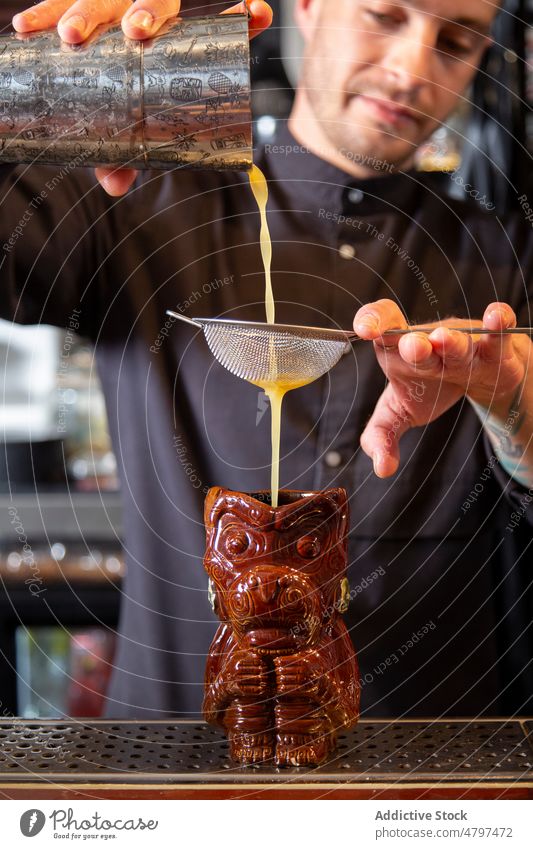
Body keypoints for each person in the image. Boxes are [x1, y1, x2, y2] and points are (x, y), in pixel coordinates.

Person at [2, 0, 532, 719]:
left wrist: (516, 413)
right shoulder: (130, 197)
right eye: (383, 14)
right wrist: (39, 77)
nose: (412, 69)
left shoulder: (507, 265)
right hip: (167, 776)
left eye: (454, 41)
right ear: (307, 7)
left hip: (427, 787)